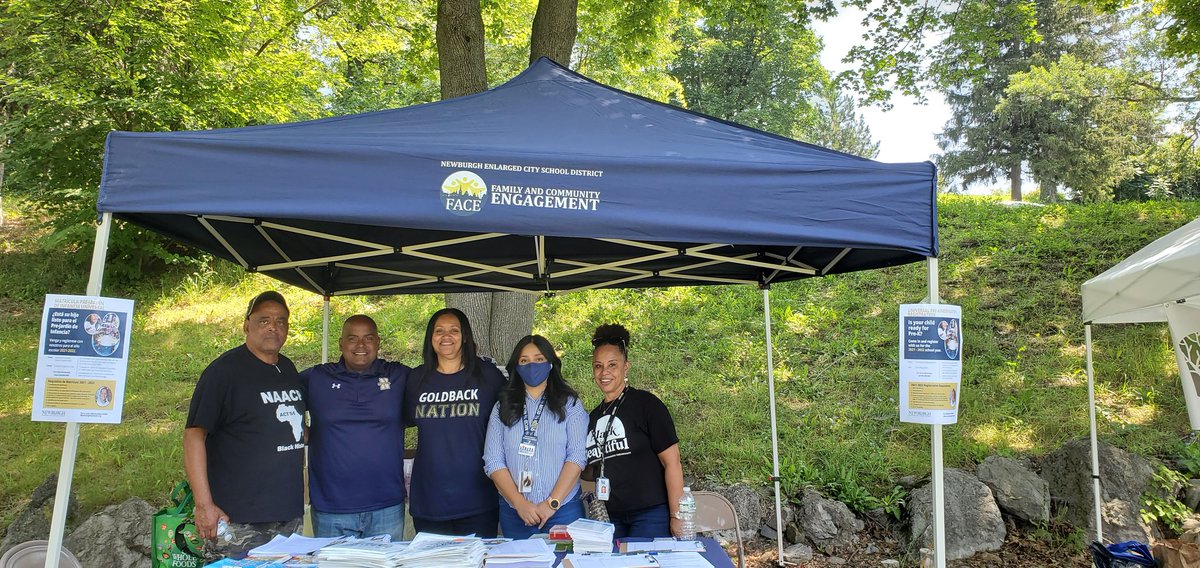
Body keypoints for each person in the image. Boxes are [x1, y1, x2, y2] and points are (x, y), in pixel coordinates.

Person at [183, 291, 306, 557]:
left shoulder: (288, 369)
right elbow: (194, 436)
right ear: (246, 325)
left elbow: (286, 427)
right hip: (238, 520)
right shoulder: (224, 372)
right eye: (264, 320)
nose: (274, 326)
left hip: (288, 516)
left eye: (281, 321)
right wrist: (203, 504)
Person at [301, 315, 409, 540]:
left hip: (386, 506)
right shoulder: (317, 378)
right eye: (353, 338)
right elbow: (277, 396)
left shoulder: (399, 375)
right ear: (341, 343)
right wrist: (297, 427)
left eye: (368, 338)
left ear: (378, 342)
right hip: (331, 508)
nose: (361, 345)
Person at [405, 308, 506, 537]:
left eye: (454, 330)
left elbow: (511, 421)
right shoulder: (416, 379)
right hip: (429, 501)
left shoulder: (488, 376)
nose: (446, 336)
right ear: (431, 337)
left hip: (478, 500)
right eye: (439, 331)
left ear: (465, 336)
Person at [585, 323, 684, 539]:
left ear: (626, 366)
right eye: (598, 366)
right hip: (610, 515)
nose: (604, 373)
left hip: (650, 513)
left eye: (612, 365)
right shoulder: (592, 417)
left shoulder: (647, 405)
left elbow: (672, 462)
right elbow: (591, 467)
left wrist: (677, 516)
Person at [484, 335, 588, 539]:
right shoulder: (501, 408)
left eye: (539, 359)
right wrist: (519, 503)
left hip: (563, 511)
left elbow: (576, 456)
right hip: (516, 514)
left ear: (550, 363)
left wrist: (552, 503)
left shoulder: (570, 404)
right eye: (524, 361)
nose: (532, 365)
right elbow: (493, 461)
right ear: (516, 366)